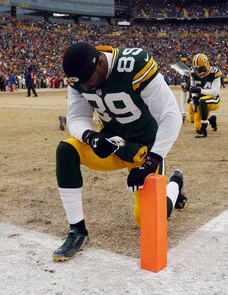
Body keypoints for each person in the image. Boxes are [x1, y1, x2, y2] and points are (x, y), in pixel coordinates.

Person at [53, 42, 186, 262]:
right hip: (114, 144)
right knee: (66, 150)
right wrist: (92, 137)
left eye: (89, 81)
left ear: (102, 63)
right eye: (82, 83)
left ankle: (175, 183)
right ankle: (78, 231)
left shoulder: (134, 65)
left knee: (147, 221)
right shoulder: (79, 78)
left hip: (146, 149)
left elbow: (170, 115)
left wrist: (152, 161)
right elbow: (77, 118)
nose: (86, 87)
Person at [182, 53, 221, 138]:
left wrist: (200, 90)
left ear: (207, 65)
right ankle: (211, 120)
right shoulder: (193, 73)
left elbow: (215, 92)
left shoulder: (214, 72)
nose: (199, 71)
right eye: (197, 69)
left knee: (202, 101)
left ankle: (204, 131)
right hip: (201, 99)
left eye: (201, 68)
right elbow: (193, 89)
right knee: (196, 126)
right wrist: (194, 98)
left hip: (213, 99)